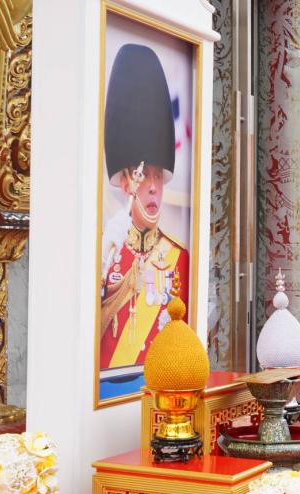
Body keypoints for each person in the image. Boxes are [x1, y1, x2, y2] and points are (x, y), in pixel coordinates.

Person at [100, 44, 189, 370]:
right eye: (143, 176)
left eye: (158, 176)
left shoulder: (178, 258)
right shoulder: (105, 253)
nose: (152, 186)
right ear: (126, 184)